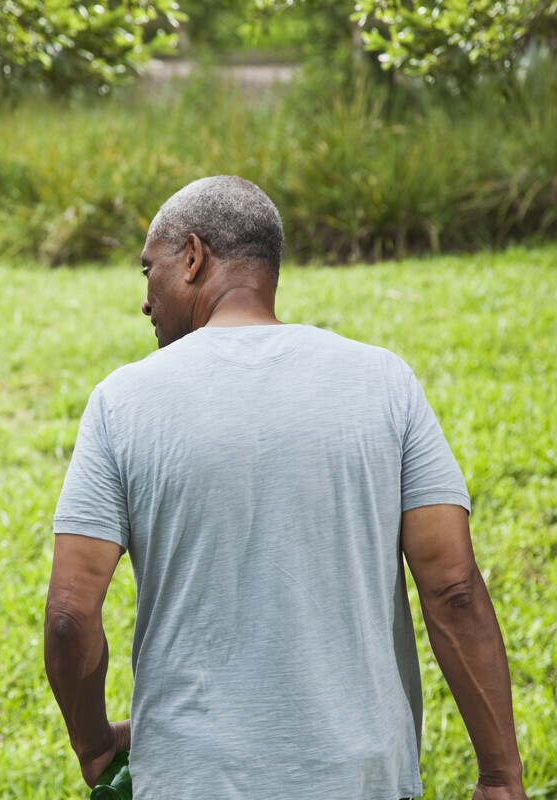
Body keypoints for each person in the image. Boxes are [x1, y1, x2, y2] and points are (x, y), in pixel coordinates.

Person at [44, 176, 527, 800]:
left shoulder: (123, 402)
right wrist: (499, 776)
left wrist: (92, 744)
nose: (145, 301)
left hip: (193, 778)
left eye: (148, 271)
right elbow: (454, 589)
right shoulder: (383, 383)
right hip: (361, 777)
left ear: (193, 258)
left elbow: (69, 615)